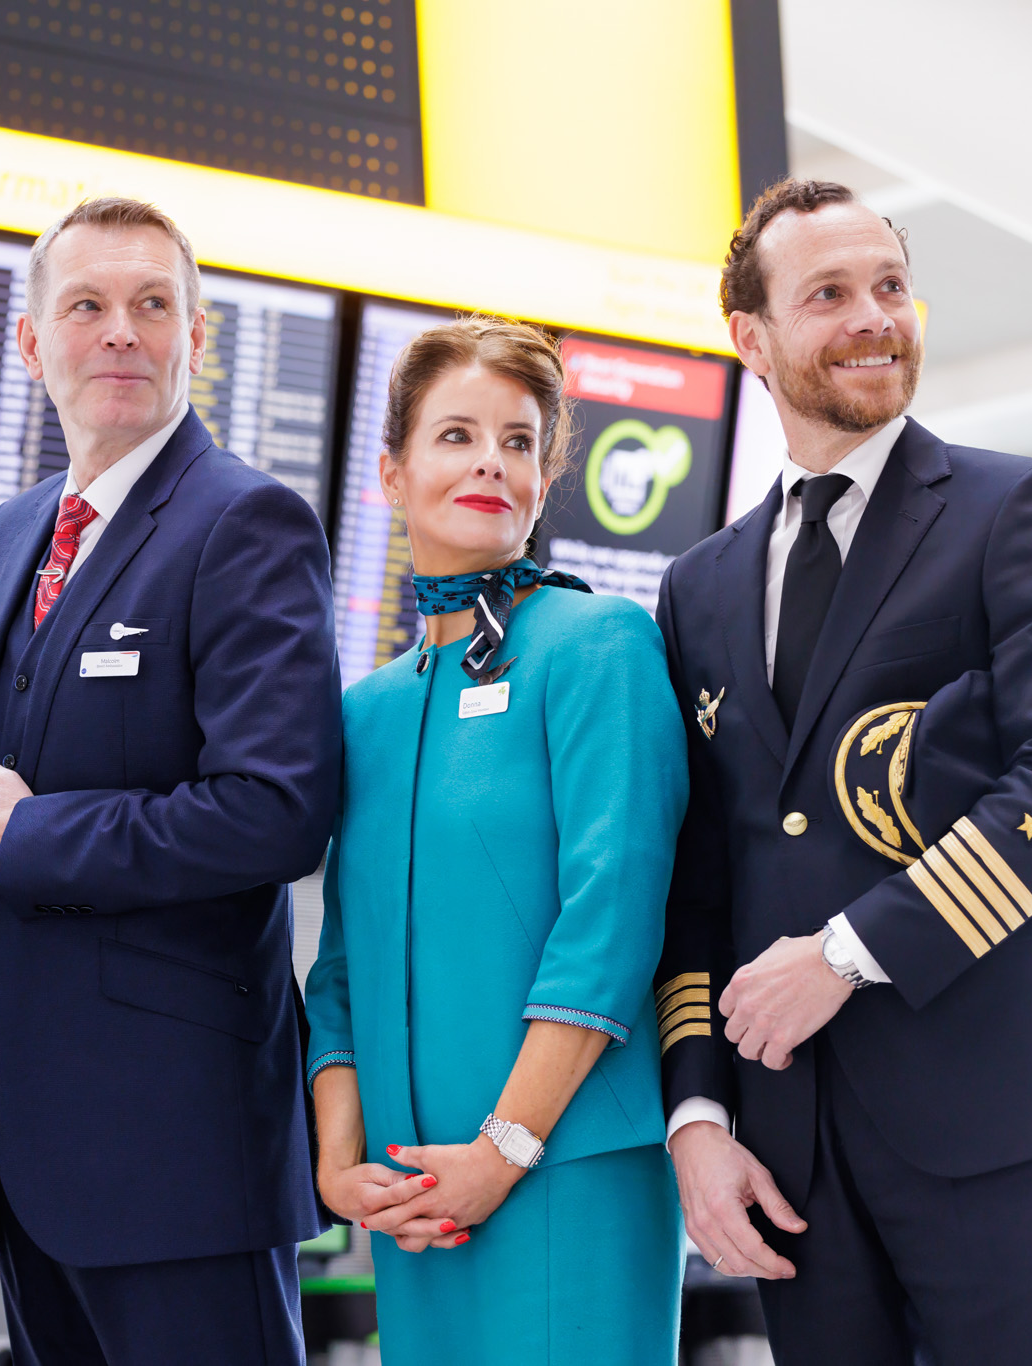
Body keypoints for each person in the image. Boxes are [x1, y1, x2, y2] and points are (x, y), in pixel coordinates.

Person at [654, 179, 1032, 1364]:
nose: (875, 316)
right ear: (749, 338)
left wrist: (842, 954)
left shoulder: (1009, 509)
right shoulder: (696, 587)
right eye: (828, 293)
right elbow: (695, 878)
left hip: (991, 1114)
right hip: (788, 1152)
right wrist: (697, 1116)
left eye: (888, 286)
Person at [0, 196, 341, 1365]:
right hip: (27, 1157)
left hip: (179, 1154)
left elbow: (276, 811)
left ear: (195, 339)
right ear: (31, 344)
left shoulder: (244, 522)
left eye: (151, 305)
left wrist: (32, 840)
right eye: (86, 305)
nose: (120, 331)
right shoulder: (13, 533)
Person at [302, 317, 689, 1364]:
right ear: (390, 472)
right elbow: (340, 963)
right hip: (414, 1197)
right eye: (456, 435)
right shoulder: (368, 710)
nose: (488, 461)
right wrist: (341, 1169)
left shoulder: (597, 642)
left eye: (517, 442)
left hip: (563, 1167)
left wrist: (501, 1148)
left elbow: (609, 918)